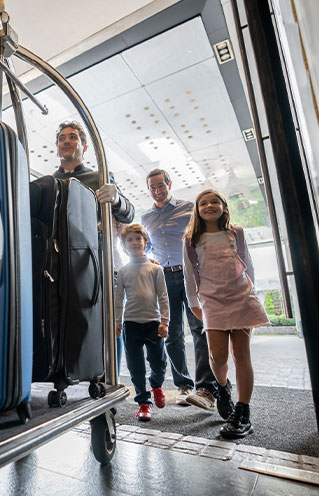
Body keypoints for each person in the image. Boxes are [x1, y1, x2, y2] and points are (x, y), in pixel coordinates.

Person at [182, 189, 269, 438]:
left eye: (215, 201)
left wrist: (251, 291)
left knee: (242, 354)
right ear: (197, 210)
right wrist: (193, 304)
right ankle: (223, 387)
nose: (209, 205)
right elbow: (189, 275)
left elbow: (247, 264)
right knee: (217, 356)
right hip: (211, 302)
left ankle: (243, 411)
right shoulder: (191, 240)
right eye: (203, 203)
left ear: (224, 206)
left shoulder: (236, 233)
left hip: (241, 298)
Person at [52, 120, 135, 373]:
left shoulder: (99, 177)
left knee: (105, 323)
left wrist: (117, 198)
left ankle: (110, 377)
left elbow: (129, 215)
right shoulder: (49, 181)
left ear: (84, 146)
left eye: (74, 137)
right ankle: (68, 373)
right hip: (59, 263)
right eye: (63, 138)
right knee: (65, 320)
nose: (67, 141)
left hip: (95, 260)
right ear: (57, 146)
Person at [140, 169, 218, 410]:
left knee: (199, 328)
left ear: (169, 184)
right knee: (171, 332)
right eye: (152, 187)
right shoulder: (146, 218)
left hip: (191, 274)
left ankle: (206, 387)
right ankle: (183, 385)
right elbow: (147, 246)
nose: (157, 190)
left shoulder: (188, 208)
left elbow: (201, 238)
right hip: (164, 276)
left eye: (160, 185)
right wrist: (149, 259)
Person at [114, 224, 169, 421]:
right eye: (130, 240)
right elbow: (118, 299)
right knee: (135, 366)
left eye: (139, 239)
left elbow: (163, 297)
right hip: (131, 324)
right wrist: (117, 323)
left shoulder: (156, 269)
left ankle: (156, 385)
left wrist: (165, 322)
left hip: (153, 323)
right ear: (124, 245)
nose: (135, 242)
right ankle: (144, 403)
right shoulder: (122, 271)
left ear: (145, 243)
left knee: (159, 363)